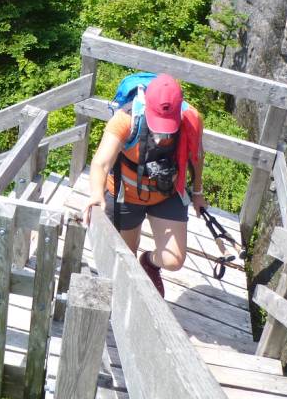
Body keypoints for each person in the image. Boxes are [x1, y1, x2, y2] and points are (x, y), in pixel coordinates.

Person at [82, 73, 205, 297]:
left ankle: (149, 262)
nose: (163, 132)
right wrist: (96, 193)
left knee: (174, 260)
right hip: (126, 194)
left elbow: (197, 155)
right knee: (125, 259)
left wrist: (197, 192)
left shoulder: (191, 119)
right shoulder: (125, 119)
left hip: (166, 192)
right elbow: (101, 162)